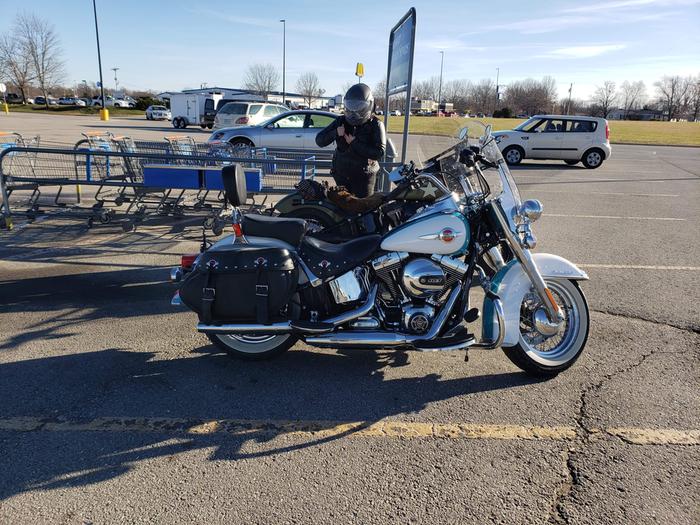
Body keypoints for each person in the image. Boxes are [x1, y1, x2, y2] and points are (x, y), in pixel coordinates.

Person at [315, 83, 386, 197]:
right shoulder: (341, 121)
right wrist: (335, 133)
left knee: (363, 209)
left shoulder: (376, 124)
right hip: (341, 175)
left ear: (369, 105)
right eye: (351, 106)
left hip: (364, 177)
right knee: (342, 208)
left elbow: (379, 153)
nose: (354, 112)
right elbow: (319, 140)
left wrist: (354, 143)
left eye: (359, 107)